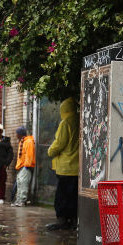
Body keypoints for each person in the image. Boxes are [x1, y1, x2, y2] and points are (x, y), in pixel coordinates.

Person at [46, 97, 79, 230]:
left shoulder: (65, 123)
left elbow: (59, 143)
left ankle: (62, 221)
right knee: (73, 197)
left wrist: (50, 151)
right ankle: (74, 221)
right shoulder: (80, 120)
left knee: (62, 197)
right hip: (77, 168)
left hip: (66, 168)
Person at [12, 126, 36, 206]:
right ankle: (19, 200)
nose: (16, 135)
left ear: (20, 134)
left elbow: (29, 155)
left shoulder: (28, 142)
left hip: (25, 166)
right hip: (21, 166)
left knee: (23, 183)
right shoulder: (23, 141)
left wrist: (26, 166)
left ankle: (22, 200)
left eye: (17, 133)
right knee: (20, 183)